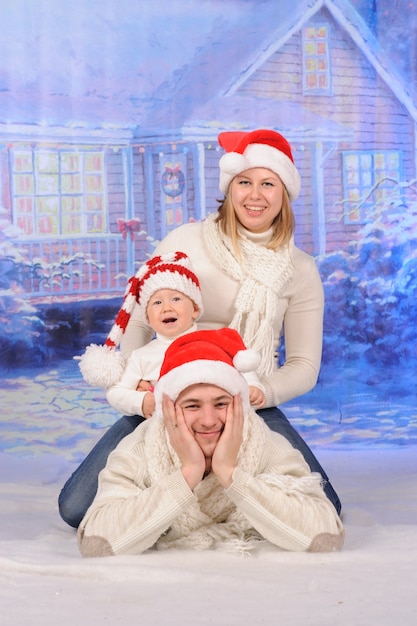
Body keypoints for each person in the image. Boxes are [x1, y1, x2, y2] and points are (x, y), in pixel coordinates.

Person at [60, 128, 342, 529]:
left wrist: (262, 393)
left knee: (323, 507)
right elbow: (141, 319)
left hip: (247, 397)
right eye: (244, 182)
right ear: (230, 188)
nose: (255, 195)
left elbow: (302, 363)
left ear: (285, 194)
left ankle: (218, 490)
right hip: (171, 395)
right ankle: (176, 491)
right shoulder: (186, 240)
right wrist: (138, 380)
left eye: (268, 184)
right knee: (76, 509)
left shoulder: (300, 269)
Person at [77, 328, 344, 557]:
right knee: (74, 506)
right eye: (192, 405)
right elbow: (96, 544)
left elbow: (325, 536)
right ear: (168, 409)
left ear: (239, 405)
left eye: (221, 404)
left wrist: (230, 473)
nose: (208, 420)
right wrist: (188, 473)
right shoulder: (140, 449)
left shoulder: (264, 444)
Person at [59, 252, 265, 528]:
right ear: (147, 317)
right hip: (157, 429)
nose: (167, 307)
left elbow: (242, 362)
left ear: (195, 309)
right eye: (157, 302)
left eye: (176, 299)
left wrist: (253, 386)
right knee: (83, 503)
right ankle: (149, 503)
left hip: (210, 425)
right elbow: (117, 393)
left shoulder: (212, 340)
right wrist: (143, 401)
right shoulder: (143, 356)